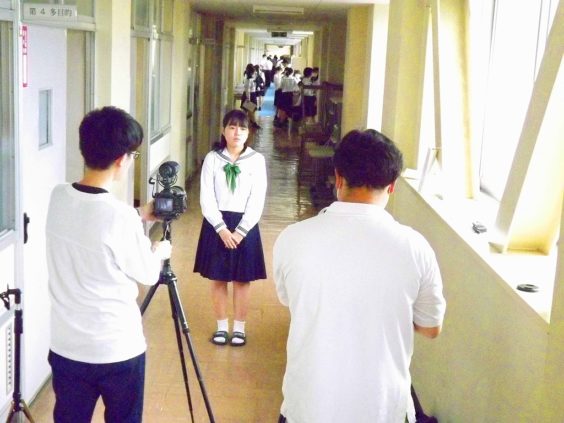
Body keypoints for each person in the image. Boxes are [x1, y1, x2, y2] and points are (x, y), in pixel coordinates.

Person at [273, 129, 446, 423]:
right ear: (392, 186)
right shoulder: (415, 247)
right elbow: (431, 328)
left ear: (338, 177)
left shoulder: (293, 238)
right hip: (382, 408)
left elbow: (291, 299)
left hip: (309, 406)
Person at [46, 106, 172, 423]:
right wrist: (159, 249)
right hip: (117, 349)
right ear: (121, 160)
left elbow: (90, 225)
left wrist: (139, 214)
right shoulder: (119, 217)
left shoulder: (58, 198)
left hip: (67, 347)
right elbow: (148, 273)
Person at [194, 109, 267, 347]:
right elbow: (206, 197)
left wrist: (241, 231)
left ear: (249, 132)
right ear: (223, 130)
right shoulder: (213, 159)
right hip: (217, 225)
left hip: (246, 225)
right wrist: (222, 229)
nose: (237, 133)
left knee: (242, 280)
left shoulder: (256, 160)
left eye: (242, 128)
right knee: (218, 278)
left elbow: (257, 199)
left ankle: (239, 329)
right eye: (232, 127)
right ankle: (221, 327)